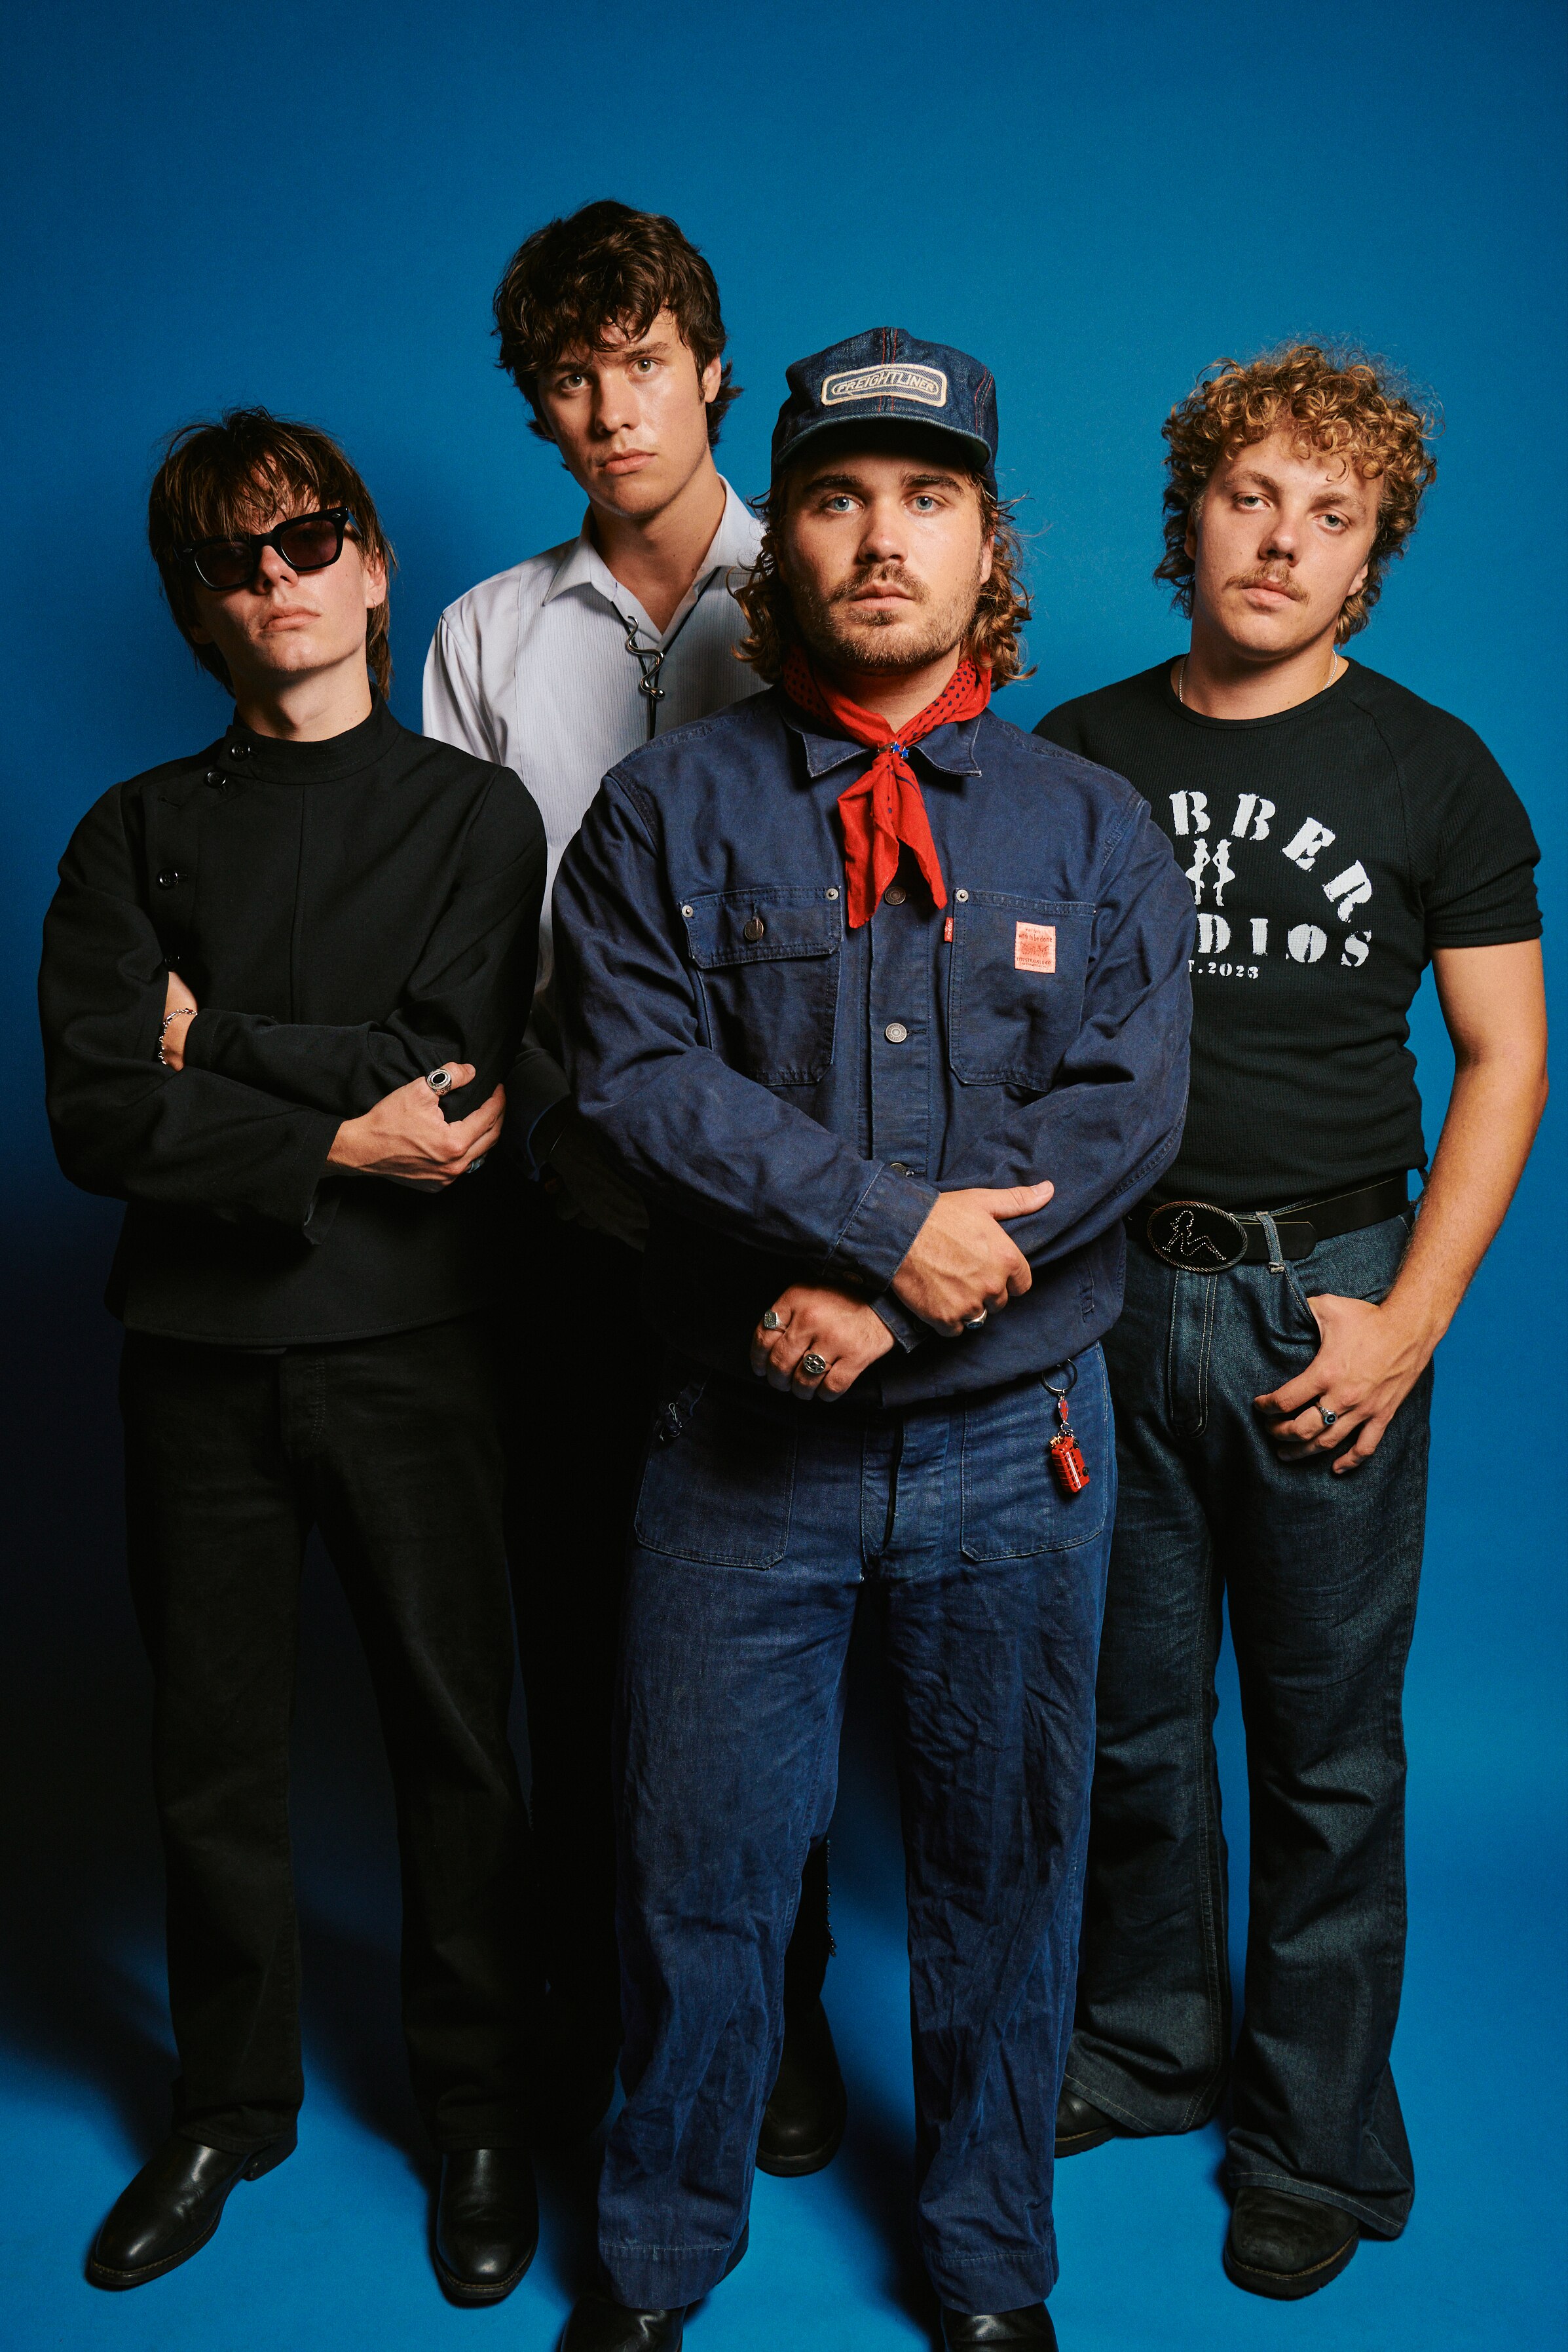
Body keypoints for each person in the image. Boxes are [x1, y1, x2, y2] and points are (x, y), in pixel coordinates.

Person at [549, 328, 1194, 2351]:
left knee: (1005, 1882)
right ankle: (658, 2264)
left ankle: (992, 2268)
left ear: (986, 539)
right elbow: (633, 1082)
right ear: (786, 537)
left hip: (1019, 1454)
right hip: (740, 1446)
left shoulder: (1090, 825)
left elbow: (1126, 1103)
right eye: (836, 495)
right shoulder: (666, 812)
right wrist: (876, 1229)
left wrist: (892, 1277)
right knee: (696, 1884)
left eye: (925, 496)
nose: (879, 535)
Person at [1036, 344, 1547, 2302]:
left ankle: (1313, 2133)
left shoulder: (1430, 769)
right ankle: (1148, 2052)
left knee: (1327, 1755)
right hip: (1106, 1294)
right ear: (1190, 520)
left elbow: (1501, 1060)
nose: (1282, 540)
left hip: (1323, 1297)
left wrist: (1403, 1321)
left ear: (1368, 562)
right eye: (1252, 496)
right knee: (1129, 1728)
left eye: (1330, 517)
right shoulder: (1074, 752)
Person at [39, 411, 548, 2302]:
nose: (279, 581)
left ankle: (482, 2109)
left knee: (452, 1747)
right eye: (235, 563)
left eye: (309, 539)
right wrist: (338, 1125)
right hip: (194, 1359)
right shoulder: (134, 833)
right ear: (197, 609)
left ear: (374, 562)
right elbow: (97, 1115)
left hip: (418, 1352)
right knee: (209, 1758)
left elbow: (462, 1087)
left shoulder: (474, 818)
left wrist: (213, 1044)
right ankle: (227, 2104)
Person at [423, 199, 842, 2166]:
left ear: (711, 370)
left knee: (792, 1617)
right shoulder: (489, 634)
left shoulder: (829, 574)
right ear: (538, 407)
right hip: (575, 1200)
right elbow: (453, 942)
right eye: (570, 378)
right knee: (591, 1619)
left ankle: (785, 2022)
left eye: (643, 360)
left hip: (793, 1198)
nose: (612, 406)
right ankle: (611, 2013)